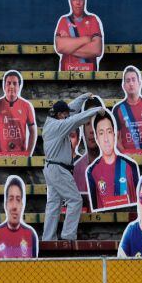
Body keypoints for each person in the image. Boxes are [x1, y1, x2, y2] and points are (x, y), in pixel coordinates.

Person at [42, 93, 103, 242]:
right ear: (59, 114)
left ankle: (48, 239)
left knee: (53, 205)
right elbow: (76, 119)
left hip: (52, 168)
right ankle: (68, 236)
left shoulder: (53, 121)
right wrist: (96, 110)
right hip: (58, 170)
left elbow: (72, 111)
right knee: (75, 200)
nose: (67, 116)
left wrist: (83, 97)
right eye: (65, 114)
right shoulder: (58, 126)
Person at [85, 110, 140, 212]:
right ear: (97, 138)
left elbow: (138, 204)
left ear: (114, 135)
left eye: (109, 132)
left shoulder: (130, 166)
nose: (106, 139)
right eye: (101, 133)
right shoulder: (92, 172)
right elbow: (95, 209)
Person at [0, 175, 39, 259]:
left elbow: (35, 269)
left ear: (22, 205)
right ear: (5, 204)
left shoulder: (31, 235)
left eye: (18, 200)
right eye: (10, 199)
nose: (14, 206)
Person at [53, 0, 105, 72]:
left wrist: (69, 47)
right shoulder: (64, 20)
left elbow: (97, 50)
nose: (78, 2)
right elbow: (60, 47)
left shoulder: (93, 20)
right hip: (67, 75)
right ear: (70, 1)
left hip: (89, 75)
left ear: (84, 0)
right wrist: (86, 39)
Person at [0, 70, 37, 157]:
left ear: (19, 86)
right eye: (8, 83)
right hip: (2, 156)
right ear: (4, 86)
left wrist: (28, 154)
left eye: (15, 83)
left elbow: (33, 131)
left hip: (20, 156)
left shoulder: (27, 106)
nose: (11, 86)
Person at [112, 66, 142, 155]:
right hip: (127, 158)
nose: (131, 83)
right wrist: (123, 152)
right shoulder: (118, 109)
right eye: (128, 81)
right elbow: (115, 136)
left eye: (133, 80)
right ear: (124, 86)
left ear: (139, 83)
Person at [72, 95, 105, 196]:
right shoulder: (76, 169)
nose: (91, 131)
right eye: (87, 123)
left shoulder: (120, 166)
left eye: (95, 122)